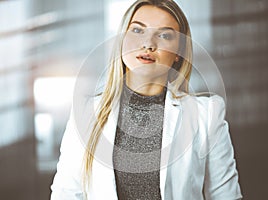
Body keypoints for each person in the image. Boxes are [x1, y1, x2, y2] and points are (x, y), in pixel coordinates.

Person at [50, 0, 242, 199]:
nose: (148, 44)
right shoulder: (86, 112)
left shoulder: (206, 114)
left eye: (164, 35)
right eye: (138, 30)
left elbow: (225, 195)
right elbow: (67, 193)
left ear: (179, 52)